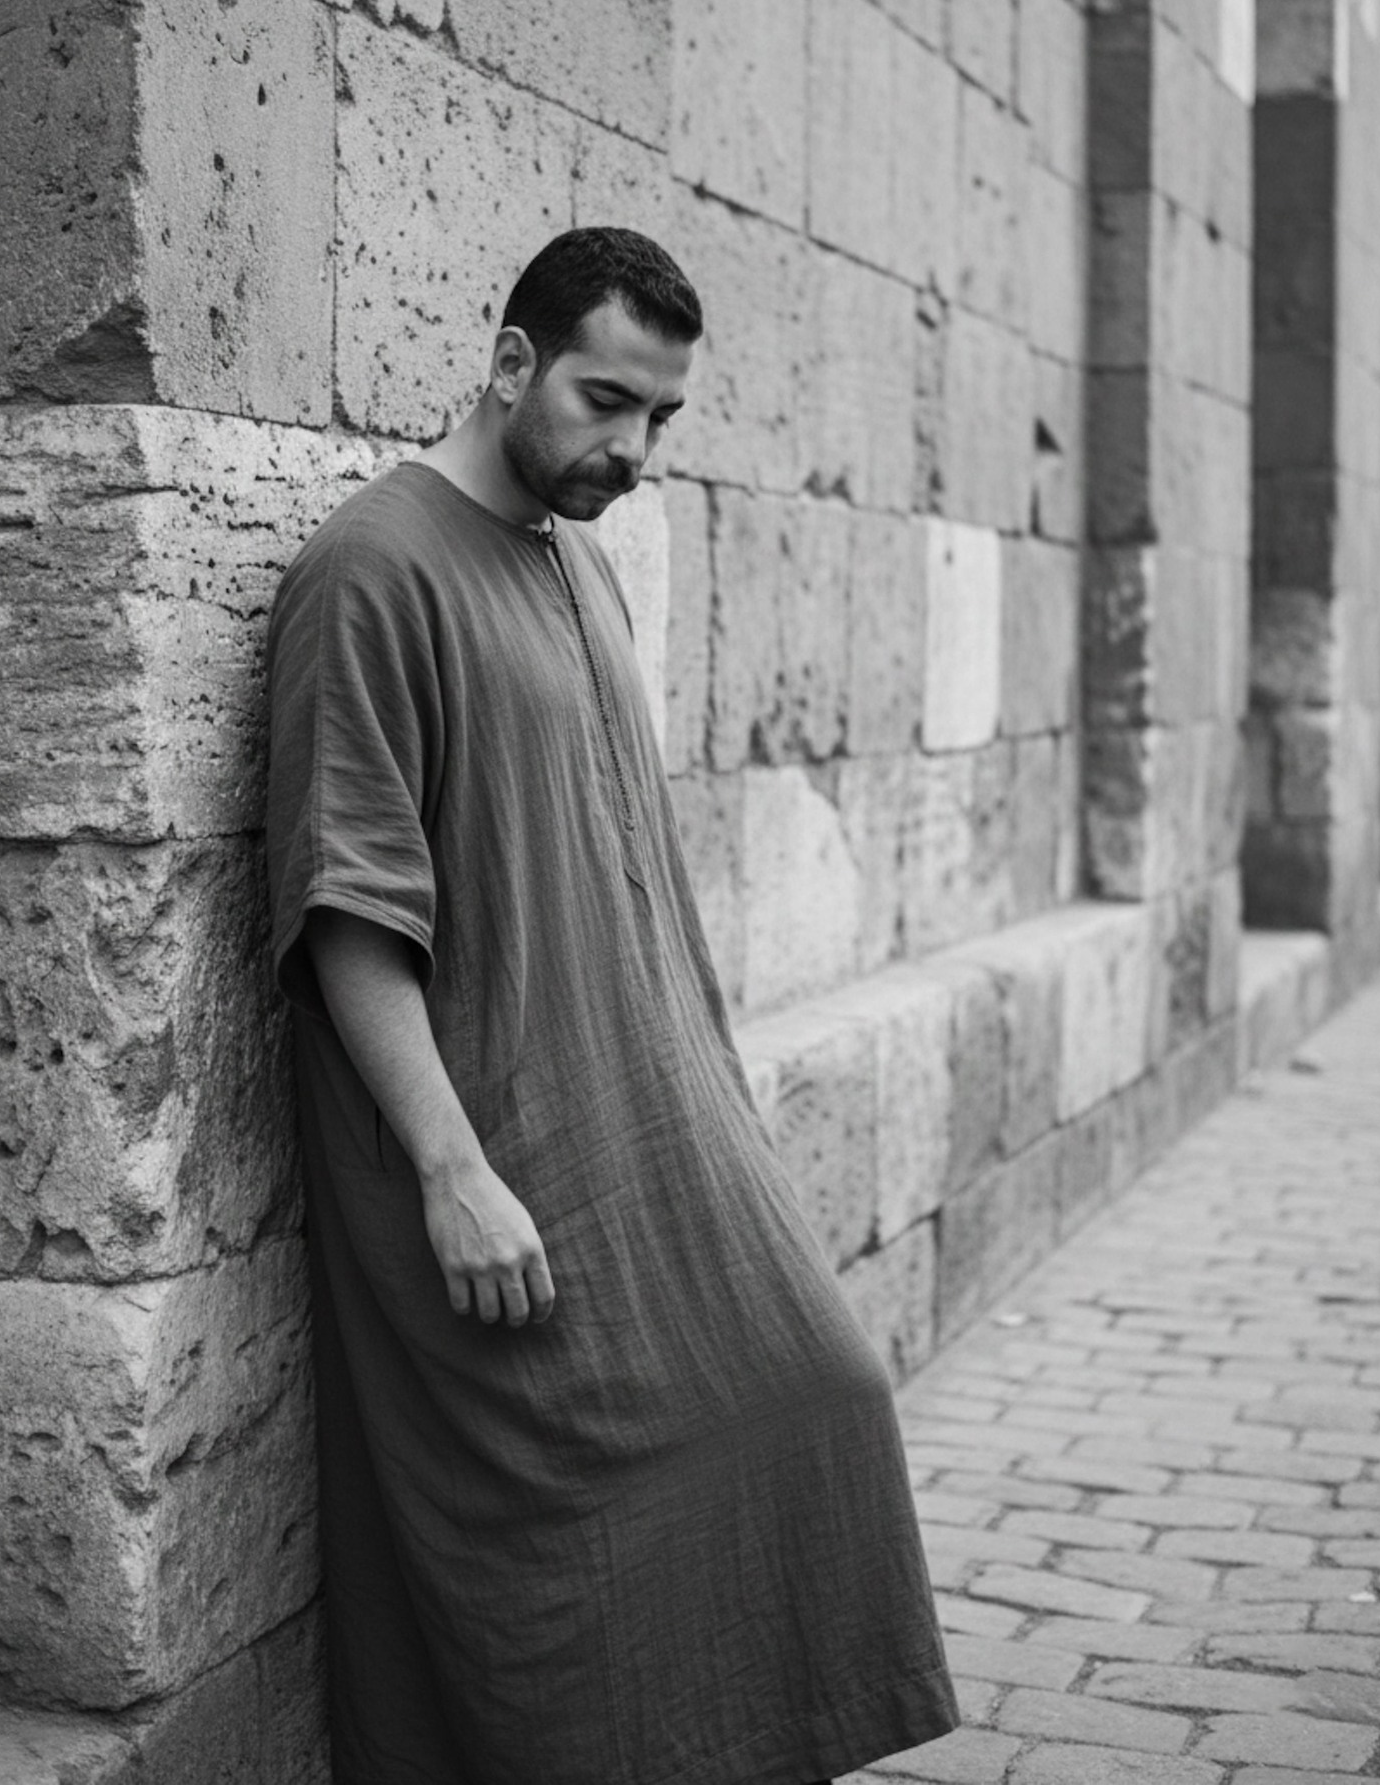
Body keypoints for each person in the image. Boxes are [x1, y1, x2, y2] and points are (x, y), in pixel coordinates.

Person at [264, 228, 957, 1785]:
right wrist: (454, 1175)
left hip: (642, 1133)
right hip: (490, 1162)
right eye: (605, 399)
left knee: (823, 1402)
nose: (632, 449)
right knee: (552, 1574)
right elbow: (346, 914)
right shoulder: (370, 572)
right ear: (511, 364)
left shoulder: (578, 559)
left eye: (662, 419)